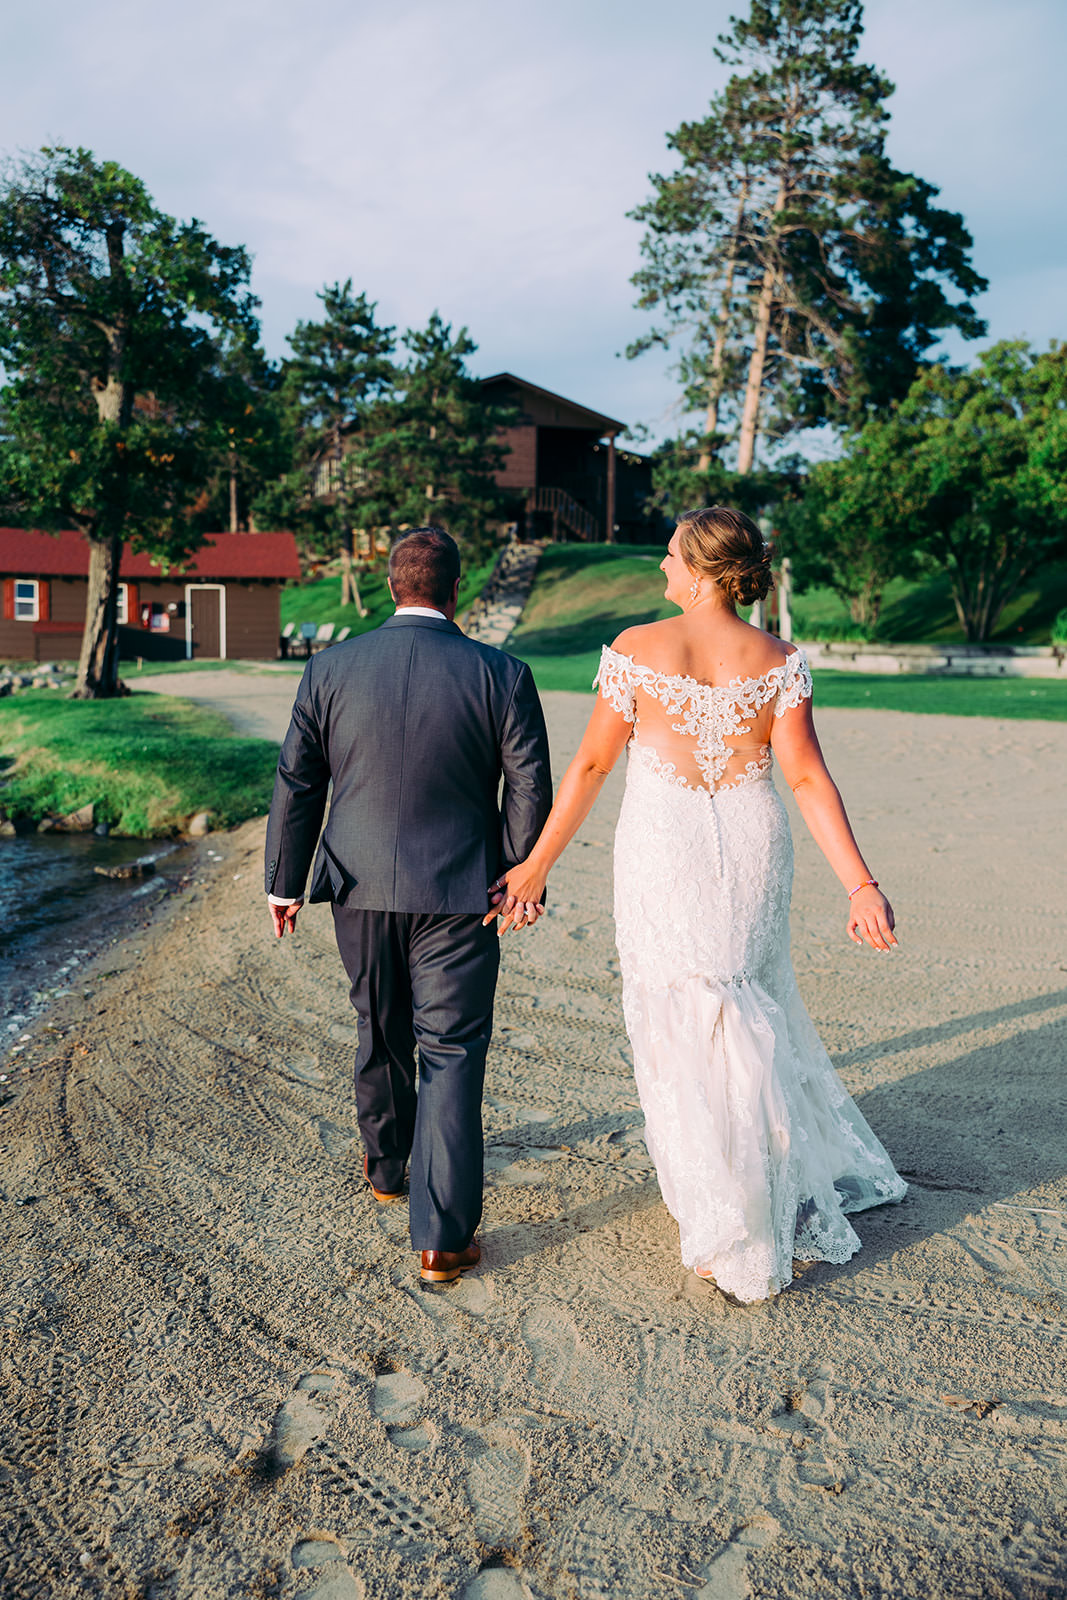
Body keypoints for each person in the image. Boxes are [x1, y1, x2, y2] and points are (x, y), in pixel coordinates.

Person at [487, 506, 906, 1303]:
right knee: (743, 1004)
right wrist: (859, 883)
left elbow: (588, 770)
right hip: (752, 839)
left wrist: (535, 865)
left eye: (671, 556)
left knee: (679, 1016)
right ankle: (752, 1191)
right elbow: (808, 780)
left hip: (663, 847)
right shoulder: (777, 658)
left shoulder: (637, 649)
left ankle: (727, 1217)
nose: (660, 568)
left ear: (704, 570)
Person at [265, 527, 552, 1284]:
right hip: (464, 891)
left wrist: (283, 883)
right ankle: (441, 1238)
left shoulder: (330, 668)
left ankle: (388, 1166)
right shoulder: (502, 672)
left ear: (393, 585)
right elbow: (527, 784)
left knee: (378, 1024)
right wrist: (522, 874)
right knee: (452, 1053)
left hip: (356, 887)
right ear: (456, 590)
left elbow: (298, 781)